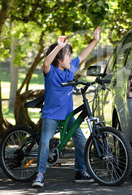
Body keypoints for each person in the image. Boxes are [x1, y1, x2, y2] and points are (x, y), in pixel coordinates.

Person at [32, 27, 102, 188]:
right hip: (51, 114)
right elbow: (45, 62)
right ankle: (40, 174)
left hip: (67, 114)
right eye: (68, 55)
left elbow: (83, 55)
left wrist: (95, 40)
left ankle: (80, 171)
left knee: (81, 141)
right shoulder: (50, 71)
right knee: (45, 142)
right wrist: (58, 47)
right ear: (59, 60)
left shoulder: (70, 69)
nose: (71, 58)